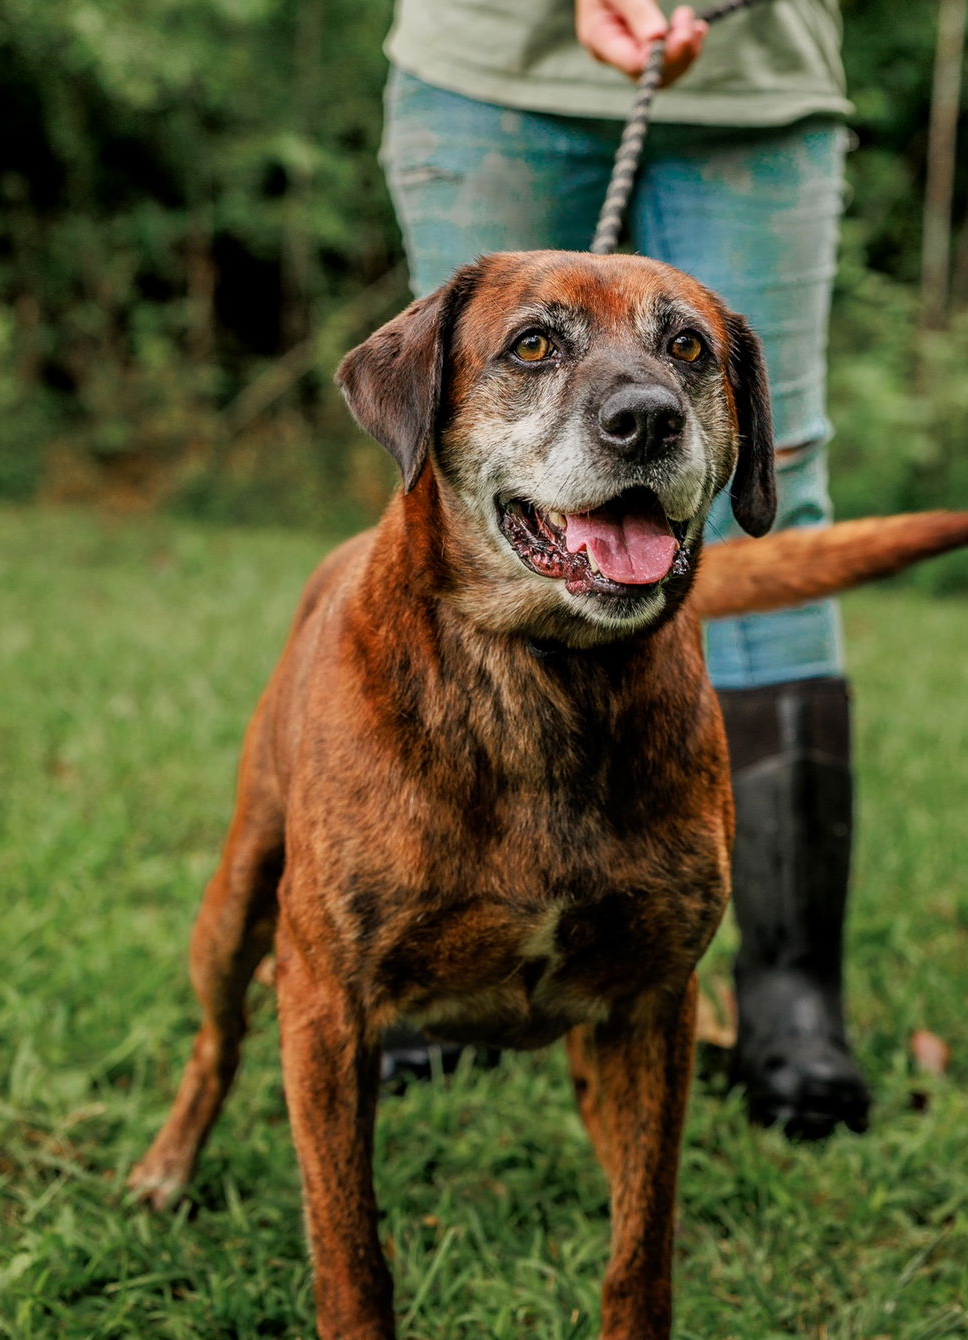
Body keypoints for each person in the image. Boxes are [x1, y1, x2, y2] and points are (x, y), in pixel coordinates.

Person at [374, 0, 869, 1140]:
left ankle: (788, 990)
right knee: (465, 455)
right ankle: (435, 935)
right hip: (490, 57)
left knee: (772, 478)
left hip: (760, 79)